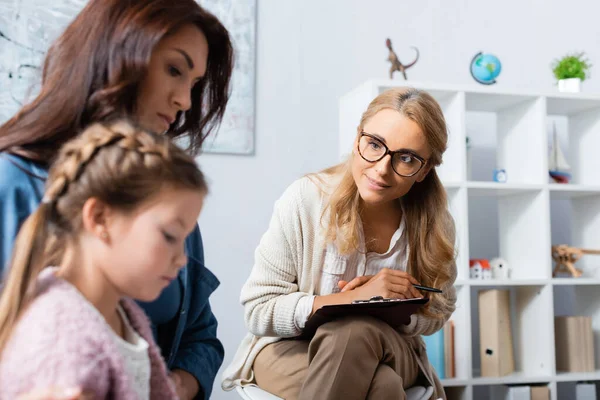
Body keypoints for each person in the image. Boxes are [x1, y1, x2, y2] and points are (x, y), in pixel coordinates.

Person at [0, 1, 234, 398]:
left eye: (194, 85)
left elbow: (201, 335)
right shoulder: (13, 184)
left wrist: (168, 385)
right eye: (174, 70)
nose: (186, 102)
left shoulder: (167, 203)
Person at [221, 87, 458, 400]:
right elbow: (258, 310)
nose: (382, 168)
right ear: (358, 136)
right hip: (289, 350)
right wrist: (356, 299)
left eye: (406, 158)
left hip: (393, 349)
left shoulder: (435, 225)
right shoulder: (305, 200)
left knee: (356, 332)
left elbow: (440, 309)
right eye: (374, 144)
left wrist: (401, 304)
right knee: (383, 386)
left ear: (424, 170)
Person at [0, 121, 207, 399]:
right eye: (170, 236)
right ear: (99, 218)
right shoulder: (63, 346)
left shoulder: (122, 314)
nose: (183, 259)